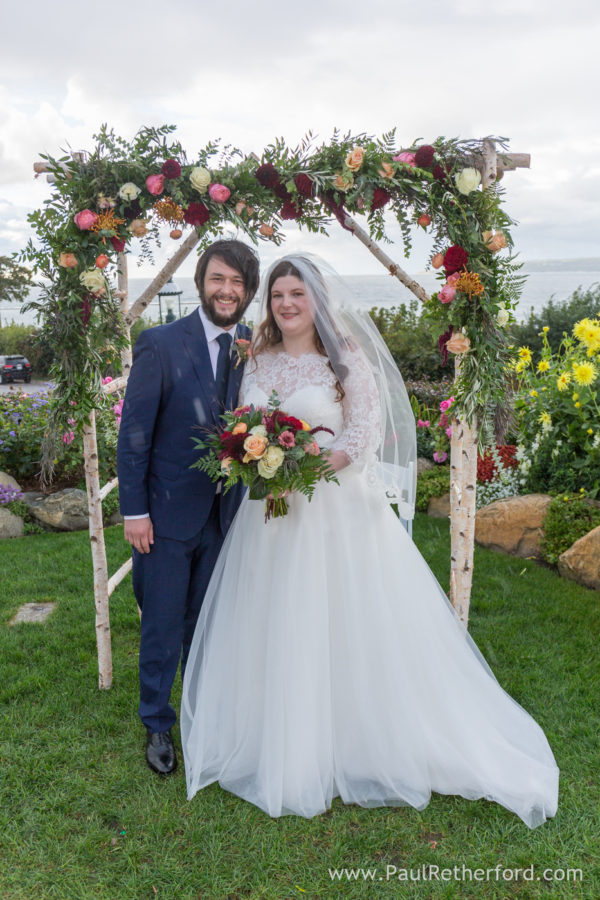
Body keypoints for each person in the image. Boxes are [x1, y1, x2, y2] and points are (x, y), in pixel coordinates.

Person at [180, 254, 559, 829]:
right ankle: (280, 737)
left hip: (338, 510)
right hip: (273, 517)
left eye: (296, 294)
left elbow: (363, 431)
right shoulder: (257, 358)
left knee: (350, 618)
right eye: (278, 295)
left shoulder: (345, 358)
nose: (286, 304)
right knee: (277, 618)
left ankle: (362, 735)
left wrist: (309, 464)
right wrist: (263, 462)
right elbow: (243, 423)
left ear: (316, 302)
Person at [117, 239, 259, 776]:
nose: (228, 291)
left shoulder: (254, 344)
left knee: (207, 622)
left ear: (248, 292)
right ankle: (156, 720)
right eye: (219, 279)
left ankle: (202, 712)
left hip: (227, 517)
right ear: (202, 281)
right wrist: (135, 512)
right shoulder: (160, 343)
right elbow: (134, 435)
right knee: (161, 623)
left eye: (238, 283)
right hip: (165, 515)